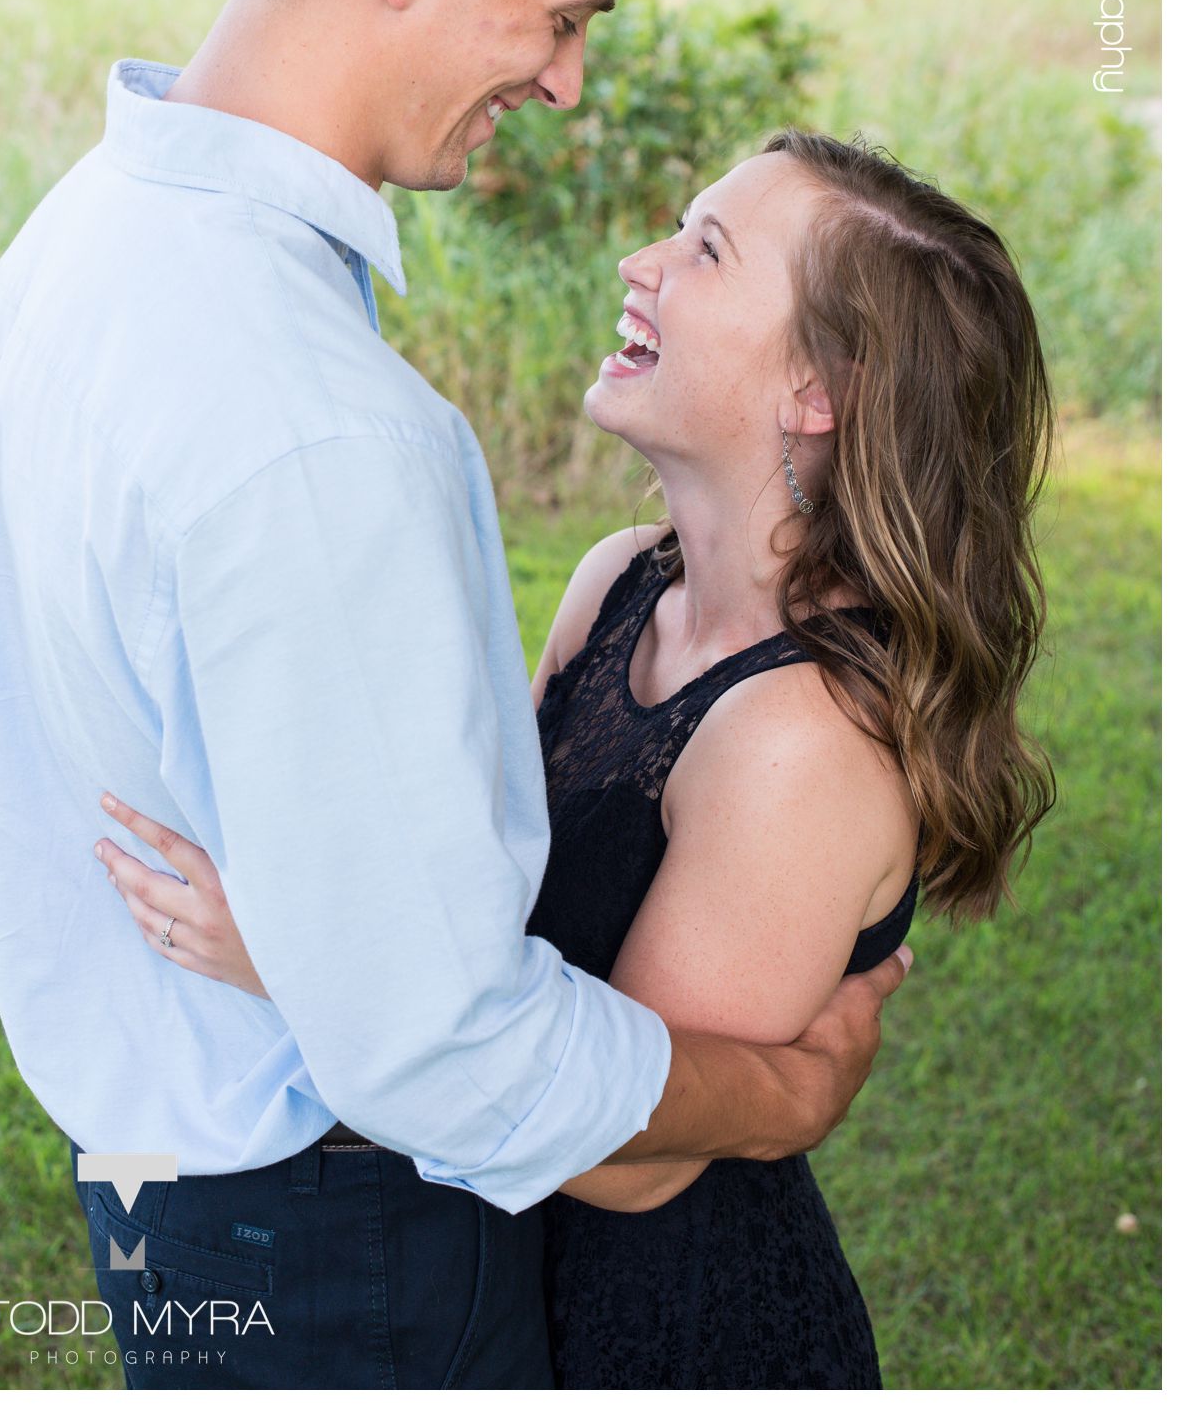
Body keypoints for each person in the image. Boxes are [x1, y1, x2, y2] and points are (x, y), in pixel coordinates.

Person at [0, 0, 909, 1393]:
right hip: (335, 1238)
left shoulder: (78, 242)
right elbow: (443, 1052)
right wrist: (776, 1091)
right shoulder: (324, 429)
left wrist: (323, 950)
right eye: (556, 18)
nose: (560, 84)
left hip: (169, 1197)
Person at [101, 127, 1056, 1388]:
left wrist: (299, 958)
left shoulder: (799, 739)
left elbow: (628, 1149)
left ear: (818, 389)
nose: (638, 260)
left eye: (705, 250)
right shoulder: (620, 583)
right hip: (496, 1270)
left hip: (668, 1328)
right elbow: (491, 893)